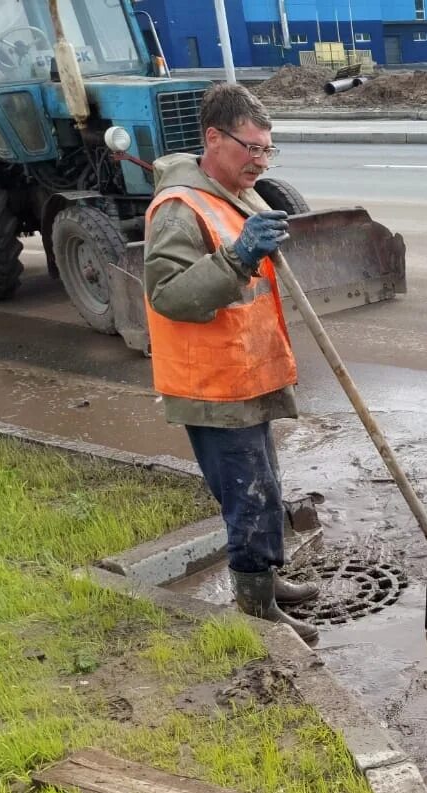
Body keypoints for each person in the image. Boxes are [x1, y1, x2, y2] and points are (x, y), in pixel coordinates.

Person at [144, 83, 320, 644]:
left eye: (269, 151)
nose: (261, 160)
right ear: (213, 138)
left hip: (244, 373)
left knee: (264, 484)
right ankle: (255, 608)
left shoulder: (237, 194)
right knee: (246, 494)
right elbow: (168, 294)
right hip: (212, 384)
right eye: (251, 148)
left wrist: (260, 246)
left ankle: (264, 579)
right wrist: (240, 254)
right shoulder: (179, 208)